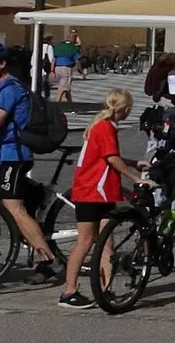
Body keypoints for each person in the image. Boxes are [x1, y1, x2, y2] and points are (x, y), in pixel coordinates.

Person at [0, 41, 58, 281]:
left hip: (14, 158)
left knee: (14, 209)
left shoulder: (10, 88)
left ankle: (47, 262)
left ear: (1, 64)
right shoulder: (3, 87)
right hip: (3, 157)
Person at [59, 88, 145, 308]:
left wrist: (134, 163)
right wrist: (135, 177)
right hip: (92, 191)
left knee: (107, 242)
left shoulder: (101, 125)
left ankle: (105, 289)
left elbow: (108, 156)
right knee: (85, 241)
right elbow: (112, 160)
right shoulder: (105, 127)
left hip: (100, 191)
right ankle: (69, 291)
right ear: (125, 109)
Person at [50, 37, 79, 104]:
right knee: (61, 90)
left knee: (67, 88)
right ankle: (56, 107)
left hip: (57, 68)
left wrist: (52, 71)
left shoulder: (59, 46)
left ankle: (71, 106)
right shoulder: (73, 47)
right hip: (66, 69)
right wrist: (80, 70)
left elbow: (53, 59)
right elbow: (77, 60)